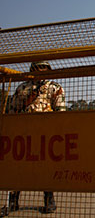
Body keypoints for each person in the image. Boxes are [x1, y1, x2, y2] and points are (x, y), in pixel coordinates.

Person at [8, 61, 66, 214]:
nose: (40, 70)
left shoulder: (54, 88)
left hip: (46, 134)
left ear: (48, 70)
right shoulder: (23, 88)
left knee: (45, 168)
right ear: (32, 69)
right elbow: (13, 109)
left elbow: (60, 111)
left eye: (43, 68)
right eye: (37, 67)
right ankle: (13, 201)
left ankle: (49, 200)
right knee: (19, 167)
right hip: (24, 133)